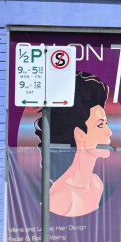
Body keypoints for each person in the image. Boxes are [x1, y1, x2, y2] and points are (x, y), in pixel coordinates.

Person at [35, 71, 113, 217]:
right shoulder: (62, 196)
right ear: (80, 135)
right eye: (100, 125)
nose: (109, 132)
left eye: (106, 124)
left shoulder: (96, 184)